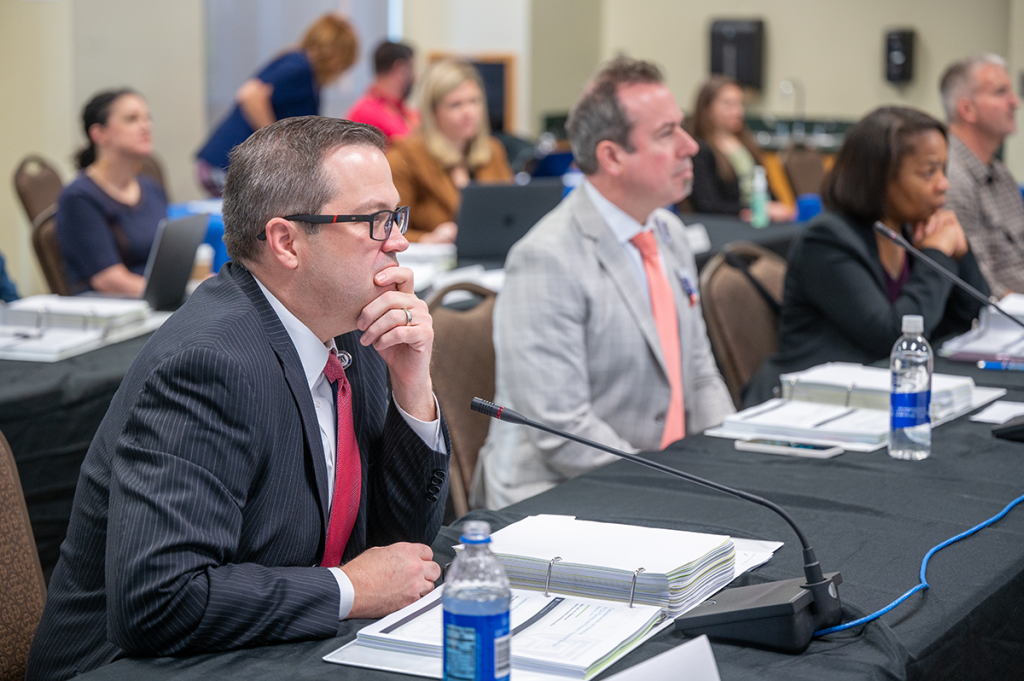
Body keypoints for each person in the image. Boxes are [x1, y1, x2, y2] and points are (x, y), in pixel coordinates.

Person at [27, 117, 450, 680]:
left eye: (395, 216)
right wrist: (349, 588)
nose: (398, 239)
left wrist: (412, 384)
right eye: (374, 220)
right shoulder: (207, 365)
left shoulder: (354, 330)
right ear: (286, 241)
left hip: (268, 648)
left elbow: (402, 554)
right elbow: (161, 601)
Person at [472, 58, 734, 510]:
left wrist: (731, 465)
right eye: (667, 133)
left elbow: (700, 373)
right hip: (559, 502)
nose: (691, 145)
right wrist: (674, 491)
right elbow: (561, 429)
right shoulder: (547, 257)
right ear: (612, 156)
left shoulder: (667, 232)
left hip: (653, 480)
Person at [744, 107, 989, 406]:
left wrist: (959, 254)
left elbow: (972, 317)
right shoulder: (826, 241)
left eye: (942, 170)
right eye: (928, 172)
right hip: (816, 405)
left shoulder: (910, 232)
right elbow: (891, 338)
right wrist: (936, 254)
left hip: (879, 396)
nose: (943, 184)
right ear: (879, 178)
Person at [195, 14, 358, 196]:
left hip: (225, 164)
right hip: (225, 164)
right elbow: (250, 94)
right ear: (335, 54)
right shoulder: (300, 67)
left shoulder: (302, 68)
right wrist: (275, 140)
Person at [386, 59, 513, 243]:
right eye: (456, 104)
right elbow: (388, 229)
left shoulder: (493, 151)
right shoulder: (404, 158)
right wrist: (428, 239)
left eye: (474, 101)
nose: (468, 111)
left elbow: (510, 213)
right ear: (433, 111)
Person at [55, 89, 167, 295]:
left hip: (156, 303)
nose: (146, 126)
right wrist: (178, 295)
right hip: (112, 310)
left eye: (147, 118)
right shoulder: (79, 198)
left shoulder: (150, 188)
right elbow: (109, 281)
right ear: (99, 134)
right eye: (132, 119)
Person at [941, 53, 1024, 299]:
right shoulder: (950, 178)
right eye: (1001, 92)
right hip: (1000, 321)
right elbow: (983, 290)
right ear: (967, 109)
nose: (1015, 102)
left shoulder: (1000, 174)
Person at [685, 76, 795, 221]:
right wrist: (753, 210)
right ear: (707, 108)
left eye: (740, 104)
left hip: (759, 218)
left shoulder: (746, 144)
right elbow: (709, 205)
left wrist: (778, 207)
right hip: (728, 223)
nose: (738, 111)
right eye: (728, 104)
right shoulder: (699, 150)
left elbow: (765, 187)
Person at [345, 40, 419, 142]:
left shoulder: (406, 112)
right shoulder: (364, 115)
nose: (415, 78)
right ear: (399, 68)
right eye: (412, 69)